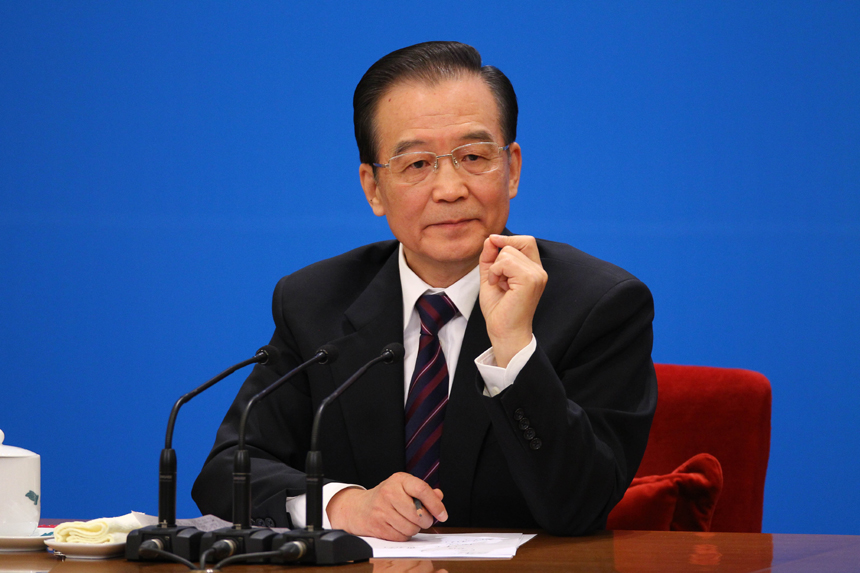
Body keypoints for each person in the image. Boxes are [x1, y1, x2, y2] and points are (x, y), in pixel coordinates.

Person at [192, 41, 657, 541]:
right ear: (373, 188)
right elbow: (226, 471)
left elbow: (580, 506)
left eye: (474, 156)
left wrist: (514, 352)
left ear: (513, 168)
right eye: (417, 164)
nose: (450, 188)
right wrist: (344, 504)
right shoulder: (314, 302)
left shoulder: (600, 305)